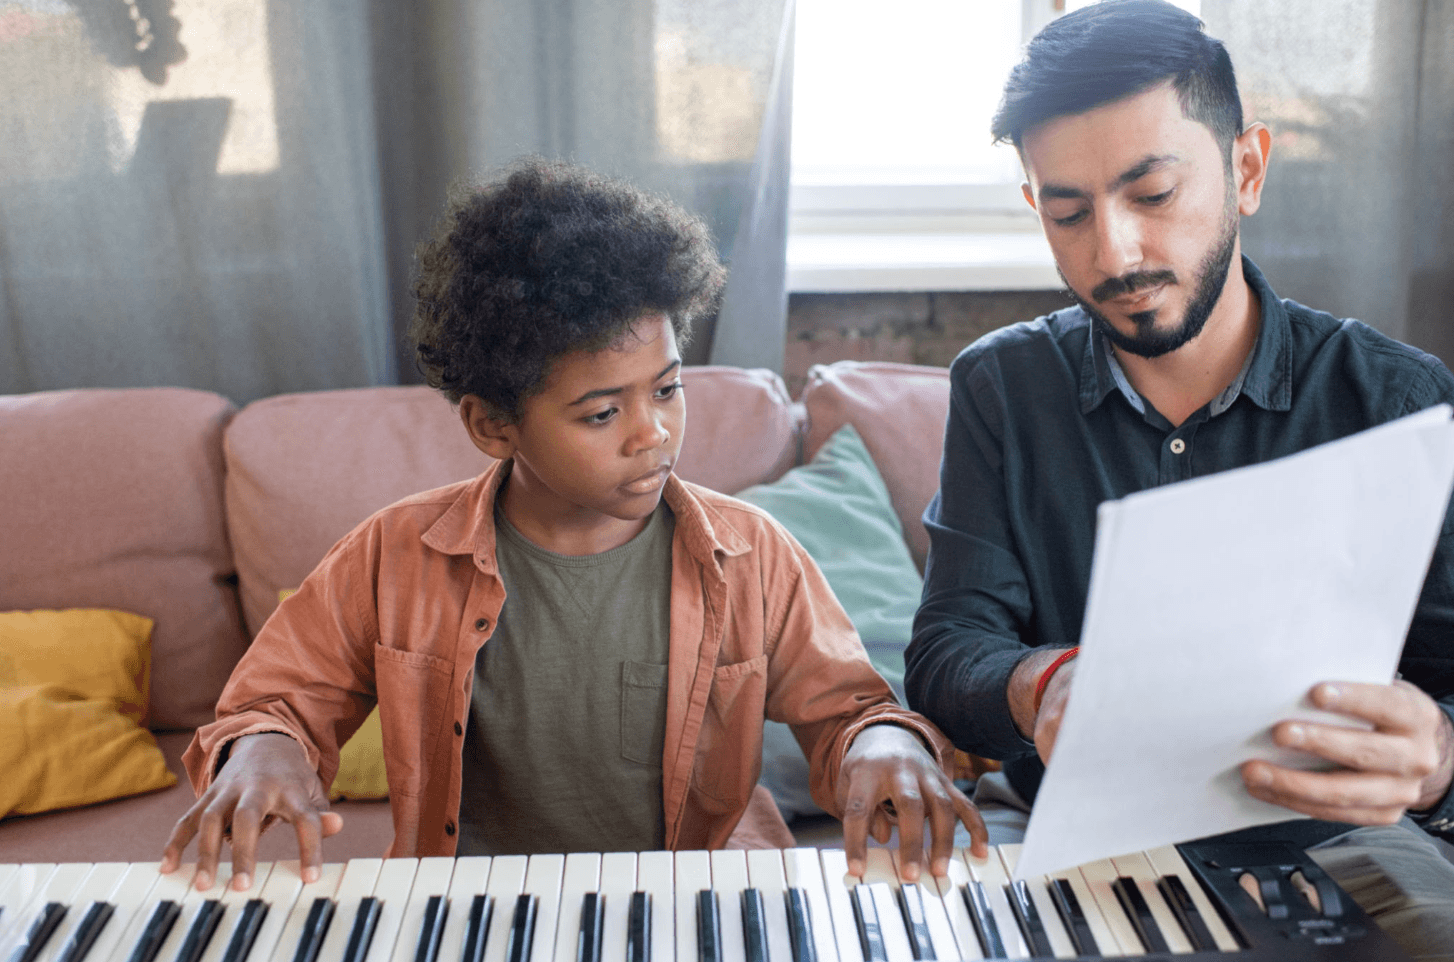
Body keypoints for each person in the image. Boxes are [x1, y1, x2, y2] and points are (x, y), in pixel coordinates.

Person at [161, 158, 986, 893]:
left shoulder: (752, 555)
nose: (652, 433)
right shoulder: (393, 554)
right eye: (601, 413)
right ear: (493, 426)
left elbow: (848, 709)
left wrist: (888, 744)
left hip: (692, 908)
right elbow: (275, 703)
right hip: (467, 916)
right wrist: (265, 750)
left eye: (666, 390)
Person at [905, 0, 1454, 951]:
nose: (1112, 253)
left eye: (1152, 195)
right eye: (1068, 211)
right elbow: (949, 651)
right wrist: (1042, 685)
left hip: (1345, 847)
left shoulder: (1400, 399)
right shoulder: (1000, 386)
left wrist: (1436, 756)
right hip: (1091, 858)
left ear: (1246, 169)